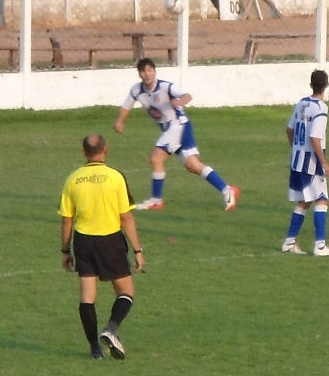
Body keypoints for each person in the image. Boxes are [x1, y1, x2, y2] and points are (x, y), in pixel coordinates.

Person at [59, 134, 146, 360]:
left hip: (83, 240)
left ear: (83, 152)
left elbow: (67, 219)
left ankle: (94, 349)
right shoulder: (115, 177)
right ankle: (111, 329)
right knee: (126, 291)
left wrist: (66, 251)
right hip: (110, 240)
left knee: (87, 296)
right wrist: (138, 250)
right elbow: (126, 217)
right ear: (106, 150)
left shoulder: (73, 179)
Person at [113, 58, 239, 211]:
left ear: (154, 71)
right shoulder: (137, 90)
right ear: (139, 74)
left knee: (156, 158)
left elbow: (187, 95)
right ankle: (227, 190)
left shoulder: (165, 87)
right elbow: (127, 106)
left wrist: (178, 102)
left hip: (178, 126)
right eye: (143, 71)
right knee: (193, 165)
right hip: (175, 128)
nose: (146, 74)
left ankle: (156, 200)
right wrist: (120, 121)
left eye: (149, 70)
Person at [282, 70, 329, 256]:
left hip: (297, 161)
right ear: (326, 85)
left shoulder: (301, 104)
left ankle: (289, 242)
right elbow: (315, 136)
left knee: (304, 201)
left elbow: (289, 130)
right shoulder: (321, 108)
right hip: (311, 162)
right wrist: (324, 163)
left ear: (311, 84)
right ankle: (320, 245)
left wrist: (296, 148)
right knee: (322, 199)